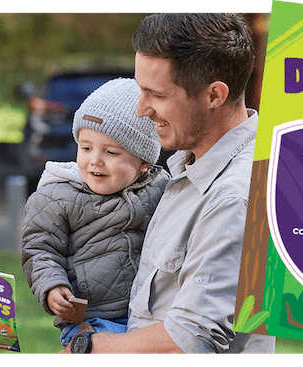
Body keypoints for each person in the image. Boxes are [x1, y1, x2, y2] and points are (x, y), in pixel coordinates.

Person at [63, 13, 276, 354]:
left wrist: (93, 347)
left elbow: (193, 338)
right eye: (140, 90)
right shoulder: (192, 168)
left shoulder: (235, 194)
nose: (141, 109)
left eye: (157, 95)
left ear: (215, 95)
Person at [21, 78, 170, 347]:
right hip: (93, 319)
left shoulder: (160, 189)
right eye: (86, 147)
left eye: (111, 152)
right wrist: (53, 286)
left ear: (144, 163)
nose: (95, 160)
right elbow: (39, 250)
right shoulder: (56, 196)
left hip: (150, 317)